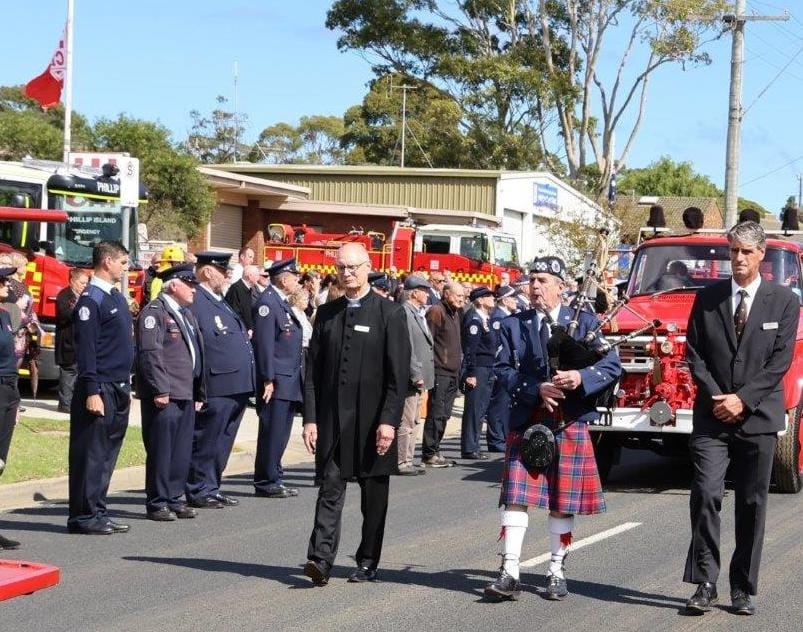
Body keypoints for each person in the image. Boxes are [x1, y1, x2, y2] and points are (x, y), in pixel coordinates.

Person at [485, 256, 621, 601]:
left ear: (561, 286)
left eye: (543, 280)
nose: (535, 287)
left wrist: (579, 377)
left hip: (570, 420)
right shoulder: (513, 325)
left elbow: (611, 364)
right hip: (529, 419)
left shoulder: (585, 323)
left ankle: (556, 571)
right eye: (532, 280)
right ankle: (509, 570)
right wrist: (535, 389)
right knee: (516, 498)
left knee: (563, 501)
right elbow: (502, 370)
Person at [682, 221, 798, 616]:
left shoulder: (784, 301)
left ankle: (742, 587)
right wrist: (719, 397)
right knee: (706, 494)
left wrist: (743, 400)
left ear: (762, 255)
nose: (738, 259)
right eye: (733, 251)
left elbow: (780, 360)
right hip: (712, 417)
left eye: (747, 252)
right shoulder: (708, 297)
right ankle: (705, 582)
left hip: (758, 418)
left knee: (751, 503)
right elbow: (694, 353)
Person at [302, 243, 410, 586]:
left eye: (353, 267)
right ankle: (319, 559)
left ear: (367, 268)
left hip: (373, 421)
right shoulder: (328, 313)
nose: (347, 274)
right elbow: (313, 373)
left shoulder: (389, 313)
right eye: (341, 268)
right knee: (330, 488)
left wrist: (389, 421)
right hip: (334, 421)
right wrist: (311, 418)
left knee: (373, 496)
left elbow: (398, 376)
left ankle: (367, 560)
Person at [67, 241, 135, 535]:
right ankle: (83, 516)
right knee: (91, 453)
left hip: (118, 384)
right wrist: (92, 391)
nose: (126, 267)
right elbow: (87, 351)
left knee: (107, 453)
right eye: (122, 262)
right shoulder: (91, 300)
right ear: (107, 261)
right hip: (100, 386)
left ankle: (97, 510)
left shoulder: (115, 297)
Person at [185, 251, 255, 509]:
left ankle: (212, 486)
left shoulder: (218, 299)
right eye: (221, 270)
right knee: (207, 439)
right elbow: (198, 346)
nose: (226, 275)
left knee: (223, 440)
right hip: (216, 384)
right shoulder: (197, 300)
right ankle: (198, 488)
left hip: (235, 385)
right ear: (207, 271)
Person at [136, 264, 205, 522]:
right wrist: (160, 388)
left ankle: (175, 497)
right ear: (174, 285)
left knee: (180, 450)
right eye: (190, 284)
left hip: (185, 391)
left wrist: (199, 391)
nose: (194, 290)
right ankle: (157, 502)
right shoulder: (154, 313)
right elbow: (150, 353)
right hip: (166, 393)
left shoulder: (185, 314)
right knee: (161, 450)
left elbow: (196, 354)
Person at [252, 258, 304, 499]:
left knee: (280, 432)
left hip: (288, 379)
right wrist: (267, 378)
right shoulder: (267, 304)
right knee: (273, 431)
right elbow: (263, 345)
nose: (297, 281)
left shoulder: (279, 303)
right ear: (283, 279)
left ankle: (275, 475)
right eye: (295, 277)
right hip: (277, 382)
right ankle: (266, 480)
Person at [421, 282, 466, 467]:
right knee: (436, 414)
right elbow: (427, 342)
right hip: (440, 372)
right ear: (446, 293)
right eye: (458, 296)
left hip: (453, 373)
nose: (461, 300)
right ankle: (429, 453)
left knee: (445, 414)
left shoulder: (455, 313)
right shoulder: (436, 311)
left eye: (463, 297)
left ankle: (436, 450)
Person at [397, 275, 435, 475]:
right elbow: (408, 347)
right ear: (414, 293)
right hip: (412, 377)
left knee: (415, 420)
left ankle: (408, 459)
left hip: (421, 376)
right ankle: (402, 461)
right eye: (424, 290)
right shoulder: (405, 312)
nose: (427, 294)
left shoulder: (417, 313)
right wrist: (415, 373)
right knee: (407, 420)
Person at [459, 286, 497, 460]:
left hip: (487, 367)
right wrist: (471, 373)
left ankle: (474, 445)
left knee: (481, 408)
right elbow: (470, 350)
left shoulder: (485, 319)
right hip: (478, 368)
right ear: (480, 300)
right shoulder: (474, 319)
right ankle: (469, 447)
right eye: (488, 296)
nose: (492, 298)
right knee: (474, 408)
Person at [0, 265, 22, 550]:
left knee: (0, 462)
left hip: (8, 388)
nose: (7, 284)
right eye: (3, 280)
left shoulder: (5, 314)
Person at [486, 286, 518, 452]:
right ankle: (496, 439)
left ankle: (501, 437)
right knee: (498, 404)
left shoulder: (506, 316)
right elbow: (496, 345)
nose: (516, 301)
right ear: (505, 300)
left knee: (504, 404)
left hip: (506, 366)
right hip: (499, 366)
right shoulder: (499, 317)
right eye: (513, 298)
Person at [55, 268, 89, 413]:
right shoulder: (64, 295)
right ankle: (65, 404)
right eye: (82, 283)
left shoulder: (85, 296)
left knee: (77, 372)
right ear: (73, 281)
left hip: (80, 341)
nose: (84, 286)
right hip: (67, 341)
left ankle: (74, 401)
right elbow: (64, 315)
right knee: (68, 372)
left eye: (86, 283)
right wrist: (78, 310)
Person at [225, 263, 261, 333]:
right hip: (239, 331)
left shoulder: (249, 288)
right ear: (250, 276)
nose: (258, 277)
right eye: (257, 275)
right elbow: (235, 312)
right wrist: (246, 329)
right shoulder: (236, 288)